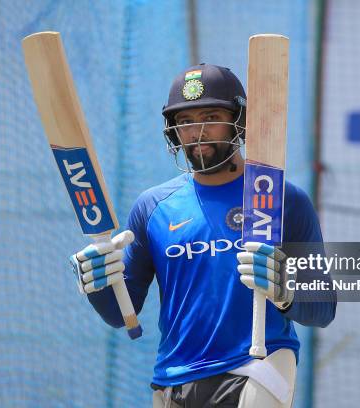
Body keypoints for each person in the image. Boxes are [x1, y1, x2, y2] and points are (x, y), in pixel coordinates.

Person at [70, 63, 336, 407]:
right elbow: (122, 314)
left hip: (258, 364)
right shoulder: (152, 208)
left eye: (211, 117)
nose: (197, 132)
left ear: (238, 121)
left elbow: (324, 307)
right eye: (185, 122)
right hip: (173, 378)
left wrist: (286, 292)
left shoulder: (283, 199)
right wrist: (97, 283)